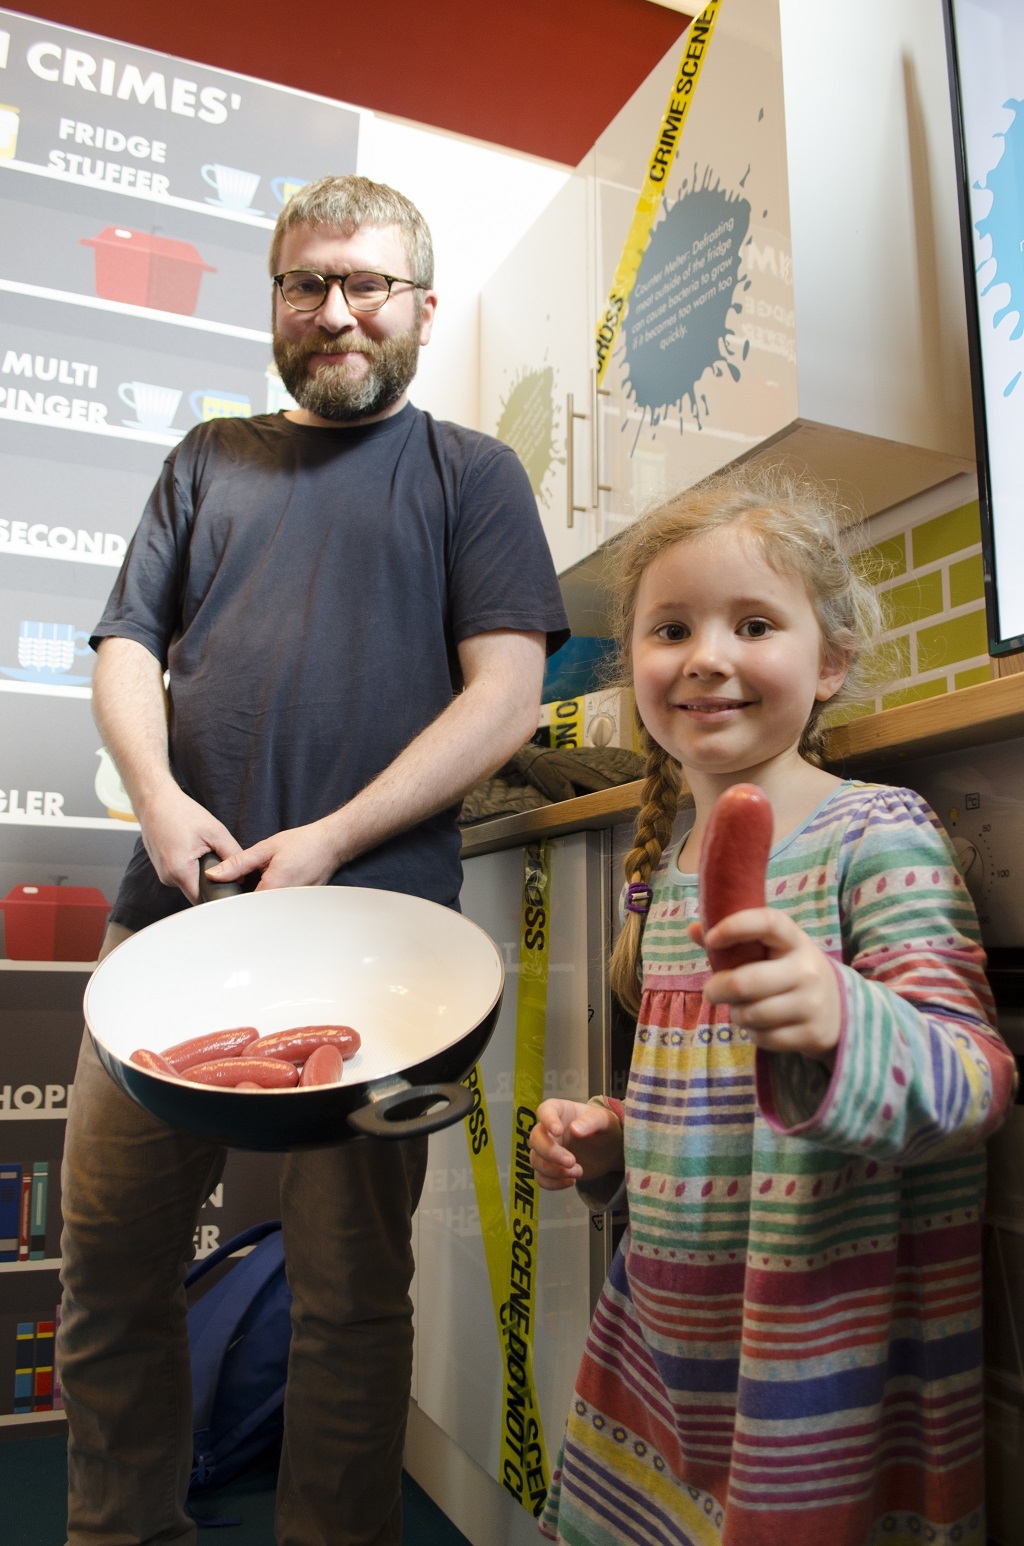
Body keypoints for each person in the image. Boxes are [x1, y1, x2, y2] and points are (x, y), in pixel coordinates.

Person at [58, 173, 569, 1546]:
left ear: (420, 306)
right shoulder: (206, 460)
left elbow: (505, 694)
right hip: (168, 928)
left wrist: (336, 838)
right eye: (307, 283)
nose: (336, 310)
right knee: (111, 1273)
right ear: (276, 299)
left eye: (367, 284)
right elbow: (124, 652)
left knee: (351, 1294)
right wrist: (160, 802)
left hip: (382, 953)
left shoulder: (473, 474)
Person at [529, 466, 1015, 1546]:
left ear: (829, 660)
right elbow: (688, 1097)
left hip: (814, 1361)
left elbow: (974, 1076)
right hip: (663, 1349)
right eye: (670, 628)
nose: (706, 656)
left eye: (752, 622)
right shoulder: (661, 874)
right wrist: (610, 1136)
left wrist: (844, 1014)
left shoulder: (874, 833)